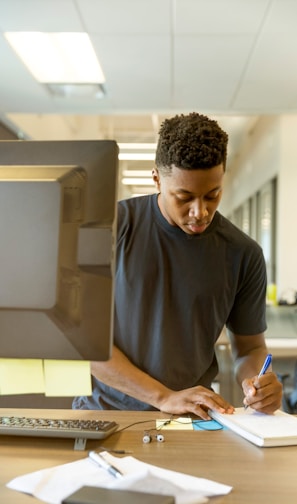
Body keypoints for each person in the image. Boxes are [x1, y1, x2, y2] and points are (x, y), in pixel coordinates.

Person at [73, 112, 282, 419]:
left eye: (212, 195)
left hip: (190, 418)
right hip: (105, 414)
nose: (200, 212)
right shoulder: (110, 228)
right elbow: (82, 341)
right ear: (157, 178)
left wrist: (259, 385)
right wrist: (162, 396)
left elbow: (250, 349)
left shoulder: (243, 253)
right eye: (184, 197)